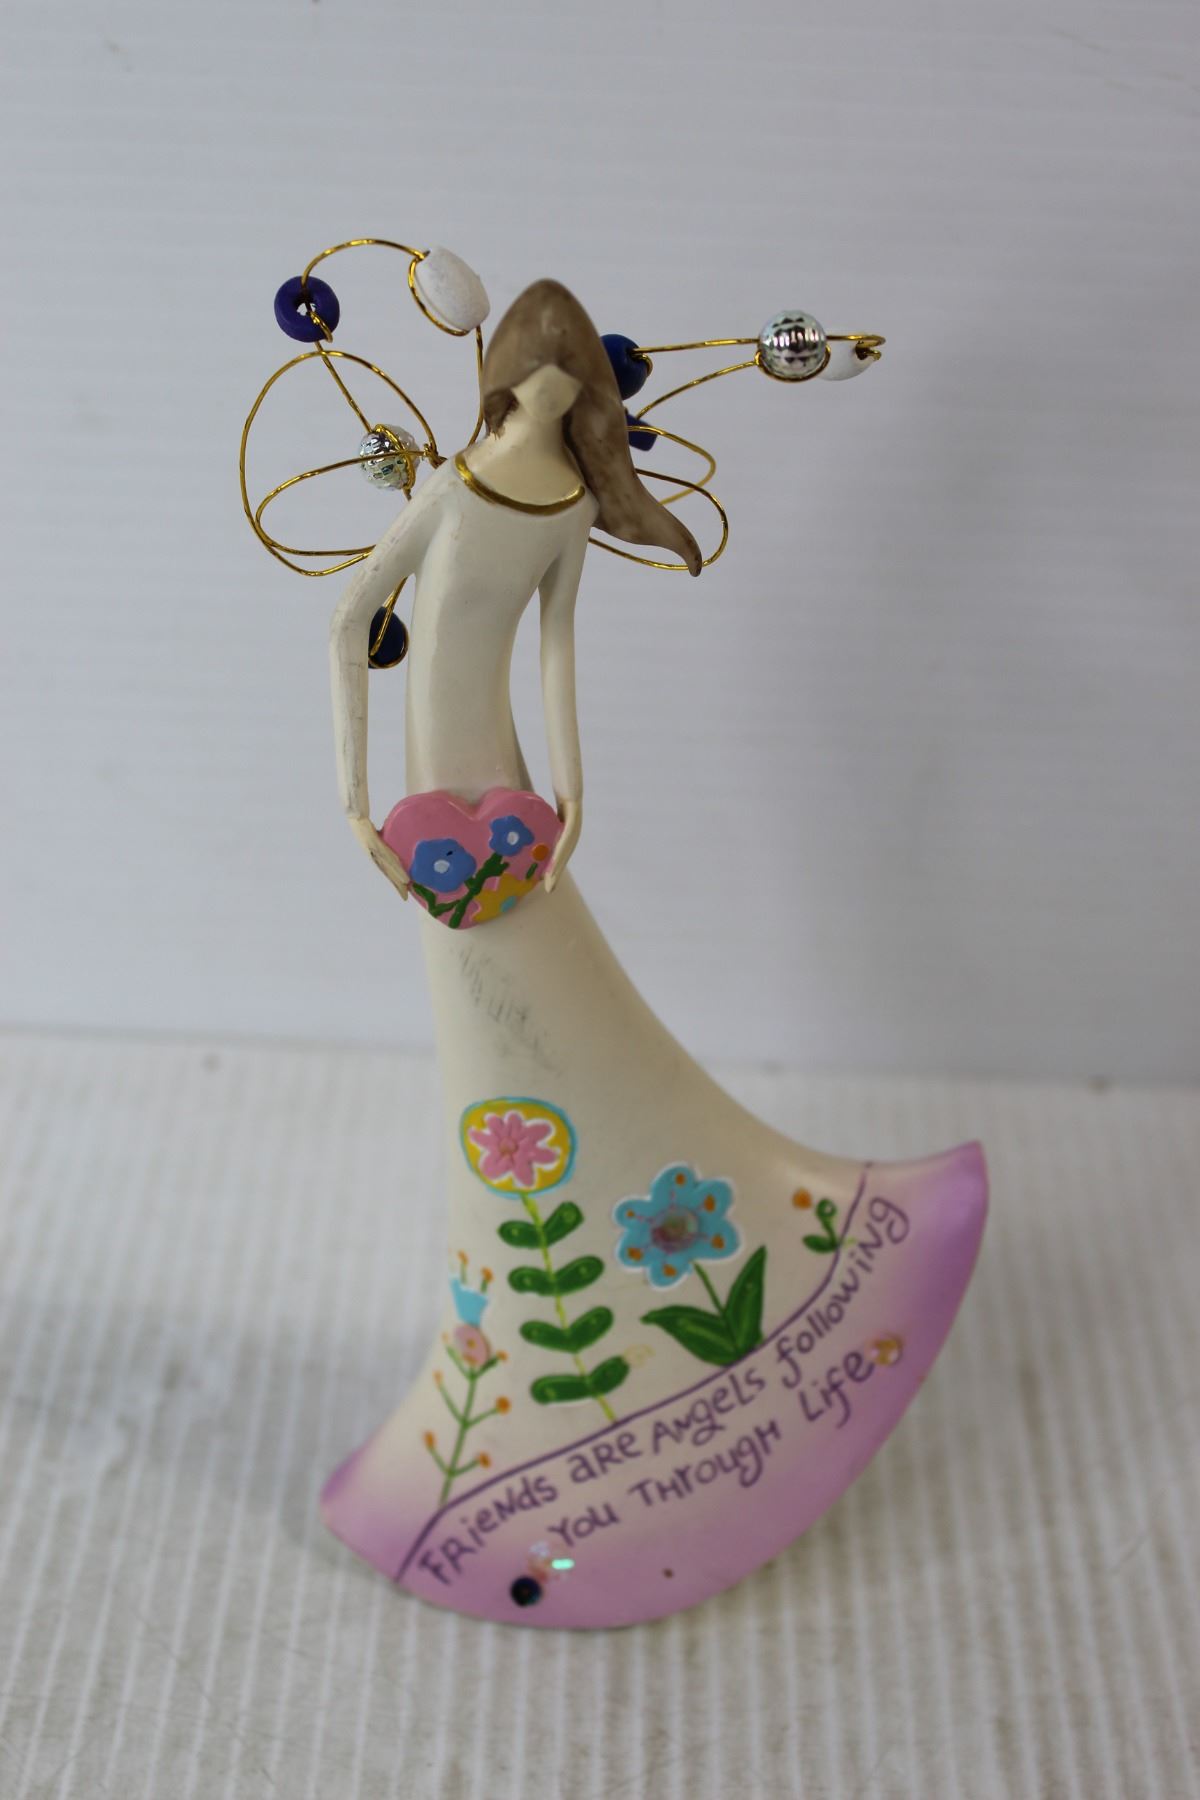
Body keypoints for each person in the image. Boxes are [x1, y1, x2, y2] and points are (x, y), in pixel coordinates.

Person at [321, 279, 987, 1627]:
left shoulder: (563, 505)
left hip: (505, 807)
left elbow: (559, 646)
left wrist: (574, 788)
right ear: (506, 375)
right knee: (514, 1049)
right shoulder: (451, 491)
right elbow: (350, 622)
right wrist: (353, 798)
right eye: (539, 375)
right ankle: (526, 1428)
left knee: (545, 1035)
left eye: (573, 384)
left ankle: (708, 1318)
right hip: (439, 814)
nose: (552, 397)